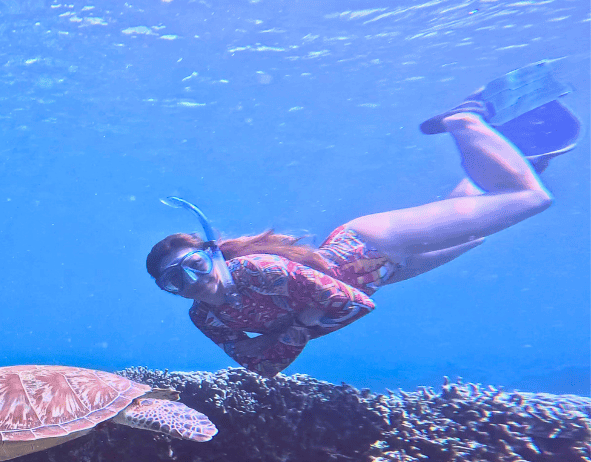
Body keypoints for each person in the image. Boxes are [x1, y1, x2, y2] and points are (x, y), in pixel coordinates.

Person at [146, 62, 581, 377]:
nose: (190, 282)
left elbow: (354, 306)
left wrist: (299, 328)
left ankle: (466, 118)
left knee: (527, 200)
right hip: (382, 274)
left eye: (194, 266)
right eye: (174, 282)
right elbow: (260, 367)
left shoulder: (257, 269)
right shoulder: (207, 320)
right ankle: (521, 158)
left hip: (375, 244)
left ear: (213, 256)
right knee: (475, 235)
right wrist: (305, 323)